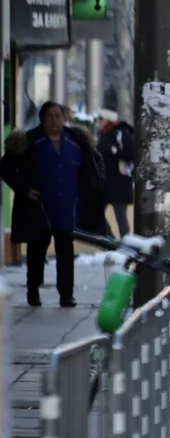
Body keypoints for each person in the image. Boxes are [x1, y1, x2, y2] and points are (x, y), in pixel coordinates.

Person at [0, 103, 106, 307]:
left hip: (68, 208)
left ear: (64, 118)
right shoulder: (28, 141)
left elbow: (95, 163)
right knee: (36, 252)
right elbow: (5, 167)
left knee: (65, 252)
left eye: (58, 116)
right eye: (50, 116)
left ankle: (66, 294)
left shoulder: (76, 141)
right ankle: (33, 290)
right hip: (39, 209)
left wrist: (93, 187)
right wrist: (24, 189)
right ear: (42, 119)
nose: (54, 121)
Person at [96, 109, 136, 238]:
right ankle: (111, 242)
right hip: (105, 183)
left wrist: (116, 152)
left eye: (100, 119)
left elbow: (133, 155)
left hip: (120, 182)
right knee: (95, 214)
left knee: (121, 217)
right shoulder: (103, 134)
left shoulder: (122, 133)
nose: (98, 122)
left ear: (108, 120)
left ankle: (126, 245)